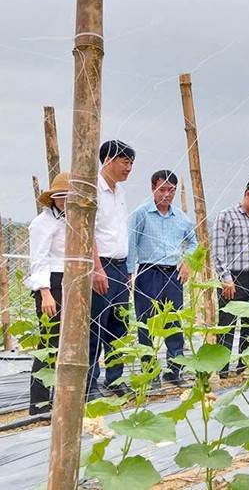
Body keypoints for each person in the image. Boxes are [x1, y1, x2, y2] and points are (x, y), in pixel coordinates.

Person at [127, 170, 197, 389]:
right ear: (153, 189)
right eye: (162, 189)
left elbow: (194, 242)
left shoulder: (181, 217)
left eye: (171, 190)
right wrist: (129, 273)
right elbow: (131, 244)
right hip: (148, 273)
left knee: (174, 323)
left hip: (173, 274)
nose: (166, 194)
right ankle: (150, 373)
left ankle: (175, 371)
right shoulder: (141, 214)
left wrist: (187, 263)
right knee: (146, 323)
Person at [88, 140, 135, 400]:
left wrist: (127, 269)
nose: (129, 168)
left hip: (119, 268)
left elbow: (119, 233)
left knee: (118, 325)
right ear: (108, 160)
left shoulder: (120, 193)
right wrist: (97, 269)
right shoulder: (94, 190)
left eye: (131, 163)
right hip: (101, 267)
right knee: (96, 325)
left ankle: (115, 378)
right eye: (125, 162)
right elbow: (90, 233)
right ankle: (90, 383)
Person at [213, 178, 249, 379]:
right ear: (248, 194)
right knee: (227, 326)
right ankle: (222, 372)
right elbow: (219, 251)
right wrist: (225, 278)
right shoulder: (226, 216)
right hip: (233, 280)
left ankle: (243, 369)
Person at [24, 172, 70, 414]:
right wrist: (46, 292)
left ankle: (60, 398)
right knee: (49, 342)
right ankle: (40, 405)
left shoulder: (70, 219)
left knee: (67, 343)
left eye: (67, 196)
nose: (63, 200)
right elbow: (38, 259)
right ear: (52, 197)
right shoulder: (43, 223)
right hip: (51, 283)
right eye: (59, 196)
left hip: (69, 281)